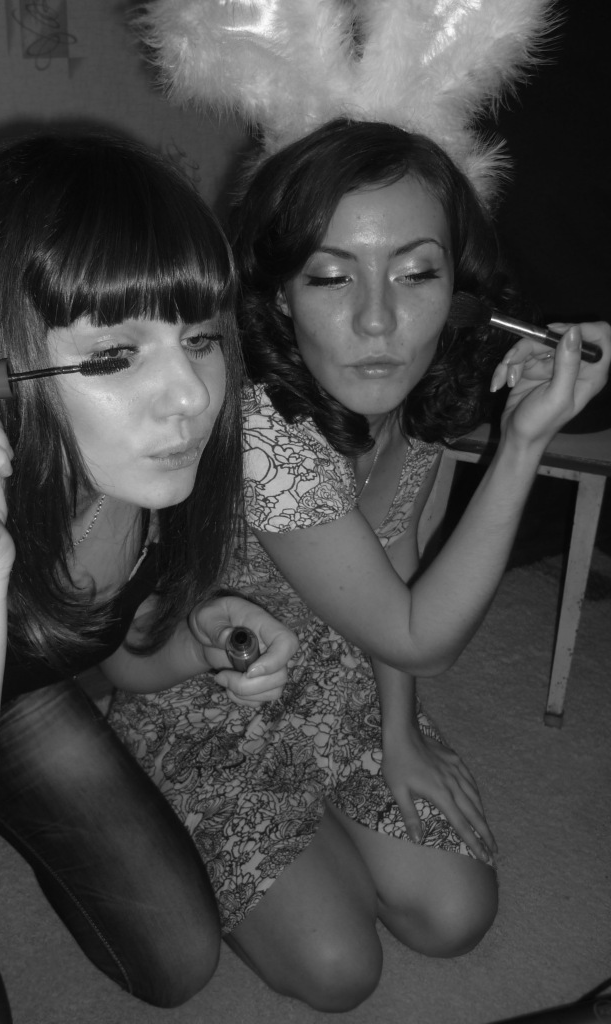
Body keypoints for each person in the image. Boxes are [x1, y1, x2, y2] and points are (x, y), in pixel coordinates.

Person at [109, 119, 611, 1012]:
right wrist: (522, 445)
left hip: (335, 668)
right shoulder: (267, 434)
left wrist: (398, 732)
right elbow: (421, 635)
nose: (379, 321)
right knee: (340, 968)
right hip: (205, 689)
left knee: (454, 916)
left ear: (462, 291)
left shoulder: (416, 385)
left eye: (416, 274)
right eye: (331, 276)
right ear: (277, 295)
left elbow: (399, 554)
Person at [0, 129, 298, 1022]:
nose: (191, 397)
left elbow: (108, 647)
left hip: (10, 698)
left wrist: (198, 636)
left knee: (183, 955)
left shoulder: (139, 462)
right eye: (114, 355)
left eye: (200, 338)